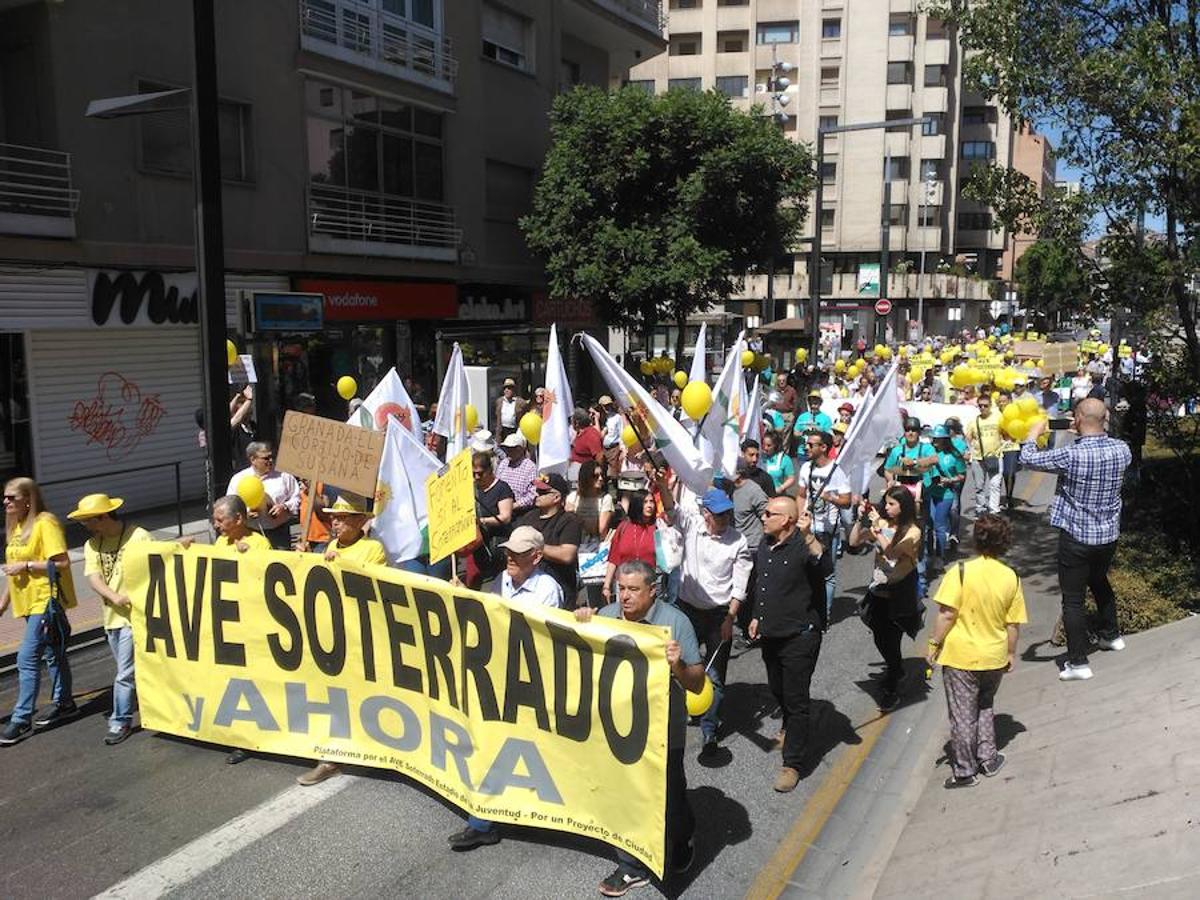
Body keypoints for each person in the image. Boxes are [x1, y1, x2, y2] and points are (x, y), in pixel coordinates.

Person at [576, 560, 703, 894]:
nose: (625, 597)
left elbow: (697, 682)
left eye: (633, 590)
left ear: (653, 591)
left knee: (670, 796)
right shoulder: (606, 615)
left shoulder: (676, 623)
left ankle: (682, 831)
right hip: (617, 727)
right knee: (626, 792)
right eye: (621, 588)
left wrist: (679, 666)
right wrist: (581, 623)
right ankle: (633, 865)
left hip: (663, 730)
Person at [447, 526, 565, 853]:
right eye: (509, 551)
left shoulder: (547, 590)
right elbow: (490, 616)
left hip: (532, 683)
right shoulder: (502, 581)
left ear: (537, 557)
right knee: (490, 745)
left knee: (531, 751)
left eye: (519, 553)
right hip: (500, 676)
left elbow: (533, 635)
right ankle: (481, 822)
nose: (510, 557)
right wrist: (467, 596)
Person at [1020, 399, 1131, 681]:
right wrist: (1082, 431)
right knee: (1099, 581)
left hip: (1077, 537)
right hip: (1107, 535)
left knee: (1073, 600)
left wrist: (1034, 433)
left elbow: (1028, 458)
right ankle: (1111, 635)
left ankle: (1078, 662)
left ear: (1078, 418)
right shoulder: (1122, 450)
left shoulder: (1071, 455)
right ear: (1105, 417)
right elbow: (1097, 445)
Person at [926, 515, 1027, 788]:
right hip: (994, 656)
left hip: (962, 658)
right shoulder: (1011, 577)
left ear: (976, 539)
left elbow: (947, 615)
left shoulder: (959, 572)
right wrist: (1010, 653)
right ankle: (988, 757)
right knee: (984, 705)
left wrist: (934, 644)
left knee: (961, 715)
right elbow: (1012, 624)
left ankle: (964, 770)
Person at [296, 493, 386, 787]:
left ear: (360, 521)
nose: (334, 524)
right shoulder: (327, 547)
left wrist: (340, 566)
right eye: (332, 518)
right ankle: (331, 756)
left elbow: (372, 584)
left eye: (341, 519)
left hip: (359, 636)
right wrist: (302, 558)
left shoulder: (373, 548)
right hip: (327, 634)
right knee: (330, 695)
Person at [659, 485, 753, 757]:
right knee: (679, 665)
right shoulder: (691, 525)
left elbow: (740, 583)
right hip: (687, 611)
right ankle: (678, 713)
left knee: (714, 675)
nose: (724, 519)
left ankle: (709, 730)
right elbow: (671, 508)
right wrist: (661, 483)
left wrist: (730, 618)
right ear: (705, 514)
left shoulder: (738, 541)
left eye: (727, 514)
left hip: (718, 615)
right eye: (718, 514)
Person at [748, 497, 828, 792]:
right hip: (772, 632)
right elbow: (762, 583)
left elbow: (823, 562)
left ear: (787, 520)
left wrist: (809, 536)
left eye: (770, 514)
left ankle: (792, 763)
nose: (763, 517)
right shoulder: (765, 543)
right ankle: (789, 725)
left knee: (796, 700)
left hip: (800, 636)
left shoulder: (804, 545)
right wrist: (757, 615)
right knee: (777, 688)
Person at [0, 478, 78, 745]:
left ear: (28, 499)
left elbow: (63, 562)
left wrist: (26, 567)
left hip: (45, 600)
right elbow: (12, 570)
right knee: (53, 652)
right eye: (5, 497)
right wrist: (3, 603)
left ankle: (21, 719)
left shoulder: (45, 522)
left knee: (26, 657)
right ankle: (65, 703)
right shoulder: (16, 527)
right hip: (26, 602)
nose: (6, 501)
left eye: (12, 497)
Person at [70, 493, 151, 745]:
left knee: (124, 673)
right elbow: (93, 577)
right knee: (130, 671)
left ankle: (120, 720)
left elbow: (155, 567)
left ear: (103, 517)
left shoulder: (139, 536)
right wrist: (114, 597)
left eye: (88, 521)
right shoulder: (92, 544)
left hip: (136, 617)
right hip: (112, 618)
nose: (86, 527)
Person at [849, 486, 923, 711]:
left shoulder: (913, 532)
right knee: (880, 636)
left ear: (904, 507)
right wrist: (861, 521)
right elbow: (853, 542)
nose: (887, 507)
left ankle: (893, 684)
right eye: (886, 503)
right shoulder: (880, 523)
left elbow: (892, 553)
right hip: (878, 589)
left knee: (892, 640)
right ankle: (895, 669)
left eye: (892, 504)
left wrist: (878, 532)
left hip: (899, 592)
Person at [796, 431, 851, 621]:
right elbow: (801, 494)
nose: (807, 447)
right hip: (808, 528)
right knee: (804, 570)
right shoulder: (805, 468)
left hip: (828, 531)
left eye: (811, 445)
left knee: (827, 574)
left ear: (823, 448)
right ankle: (807, 610)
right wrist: (799, 516)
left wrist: (830, 497)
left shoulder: (837, 472)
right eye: (807, 444)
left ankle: (824, 616)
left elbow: (847, 501)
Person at [517, 473, 584, 606]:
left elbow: (567, 555)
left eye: (543, 492)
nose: (537, 494)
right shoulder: (529, 517)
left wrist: (534, 546)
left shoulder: (569, 520)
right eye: (537, 491)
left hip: (559, 589)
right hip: (528, 588)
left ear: (557, 497)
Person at [227, 441, 301, 549]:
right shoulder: (238, 479)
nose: (270, 461)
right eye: (266, 458)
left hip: (279, 534)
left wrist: (285, 507)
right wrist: (246, 513)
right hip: (250, 534)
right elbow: (230, 505)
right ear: (253, 459)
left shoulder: (284, 476)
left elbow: (297, 498)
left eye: (272, 457)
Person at [567, 460, 616, 605]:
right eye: (595, 476)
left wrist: (575, 515)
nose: (600, 478)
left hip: (594, 552)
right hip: (574, 549)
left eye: (602, 475)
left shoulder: (605, 499)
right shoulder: (573, 498)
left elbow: (600, 529)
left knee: (595, 597)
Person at [603, 490, 659, 602]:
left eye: (651, 502)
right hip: (625, 586)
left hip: (649, 586)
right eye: (645, 502)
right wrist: (606, 585)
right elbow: (613, 558)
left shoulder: (658, 528)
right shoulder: (623, 527)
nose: (649, 505)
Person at [927, 425, 967, 571]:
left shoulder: (955, 456)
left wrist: (949, 480)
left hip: (946, 495)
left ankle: (940, 556)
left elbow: (962, 476)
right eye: (934, 439)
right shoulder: (929, 452)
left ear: (945, 440)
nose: (935, 442)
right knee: (928, 525)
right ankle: (929, 554)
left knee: (939, 526)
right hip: (931, 493)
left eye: (938, 439)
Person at [471, 452, 513, 588]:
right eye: (473, 473)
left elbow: (505, 517)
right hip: (478, 545)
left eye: (480, 473)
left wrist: (482, 521)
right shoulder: (472, 488)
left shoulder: (502, 488)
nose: (477, 477)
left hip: (498, 545)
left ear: (490, 470)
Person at [967, 395, 1003, 515]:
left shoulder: (998, 419)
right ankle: (980, 508)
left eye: (985, 406)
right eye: (980, 406)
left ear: (990, 406)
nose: (982, 408)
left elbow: (1006, 433)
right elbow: (968, 438)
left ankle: (994, 510)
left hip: (995, 457)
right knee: (979, 486)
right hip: (978, 458)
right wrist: (969, 452)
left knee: (995, 485)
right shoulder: (974, 421)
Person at [496, 433, 538, 517]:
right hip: (500, 509)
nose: (508, 451)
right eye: (507, 448)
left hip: (520, 513)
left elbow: (533, 494)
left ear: (521, 449)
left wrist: (514, 505)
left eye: (512, 449)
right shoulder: (504, 463)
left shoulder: (530, 467)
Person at [996, 391, 1021, 508]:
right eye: (999, 402)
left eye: (1004, 401)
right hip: (997, 448)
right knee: (997, 476)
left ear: (1010, 402)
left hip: (1012, 446)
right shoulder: (995, 414)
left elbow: (1017, 432)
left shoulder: (1015, 414)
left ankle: (1009, 498)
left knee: (1009, 473)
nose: (1001, 404)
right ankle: (996, 499)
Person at [569, 408, 604, 483]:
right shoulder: (579, 434)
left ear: (577, 422)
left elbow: (599, 457)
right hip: (576, 476)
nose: (571, 424)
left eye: (572, 421)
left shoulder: (591, 434)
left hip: (587, 478)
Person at [760, 430, 796, 495]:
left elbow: (791, 478)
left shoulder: (784, 459)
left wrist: (781, 488)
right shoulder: (759, 457)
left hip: (777, 495)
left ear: (775, 445)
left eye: (769, 445)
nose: (765, 448)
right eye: (764, 444)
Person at [599, 396, 624, 480]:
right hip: (601, 448)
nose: (606, 408)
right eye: (604, 406)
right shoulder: (600, 418)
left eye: (608, 405)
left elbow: (621, 433)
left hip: (613, 448)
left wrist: (621, 448)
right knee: (602, 470)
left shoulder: (617, 418)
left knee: (614, 472)